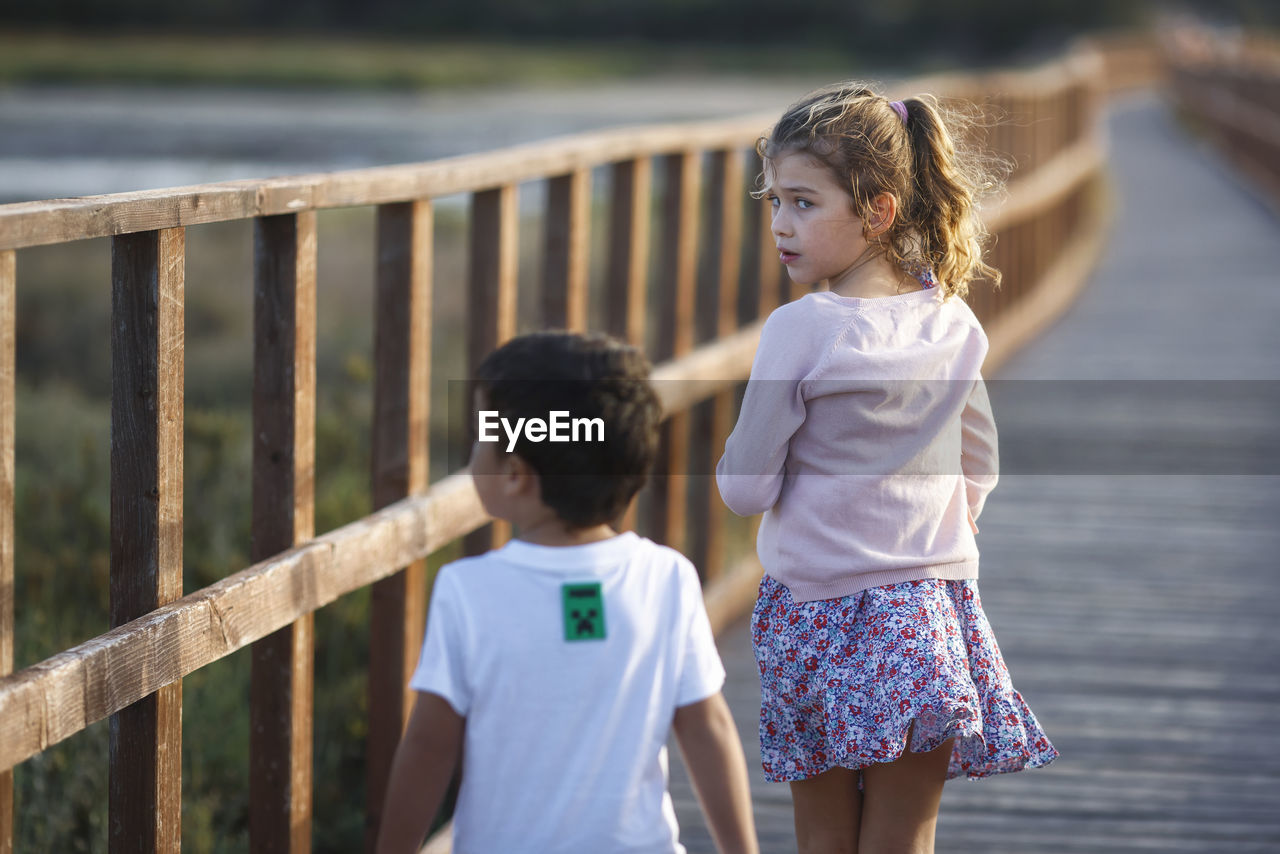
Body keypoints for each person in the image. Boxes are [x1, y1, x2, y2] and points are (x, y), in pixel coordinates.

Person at [715, 83, 1057, 853]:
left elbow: (745, 491)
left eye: (803, 203)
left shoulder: (802, 330)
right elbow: (980, 464)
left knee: (824, 836)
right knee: (906, 836)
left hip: (814, 613)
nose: (779, 225)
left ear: (878, 211)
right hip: (925, 613)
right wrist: (927, 538)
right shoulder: (952, 317)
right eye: (773, 202)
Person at [377, 331, 759, 854]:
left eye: (481, 434)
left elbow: (428, 748)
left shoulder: (468, 591)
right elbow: (707, 728)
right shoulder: (666, 577)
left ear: (515, 475)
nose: (472, 453)